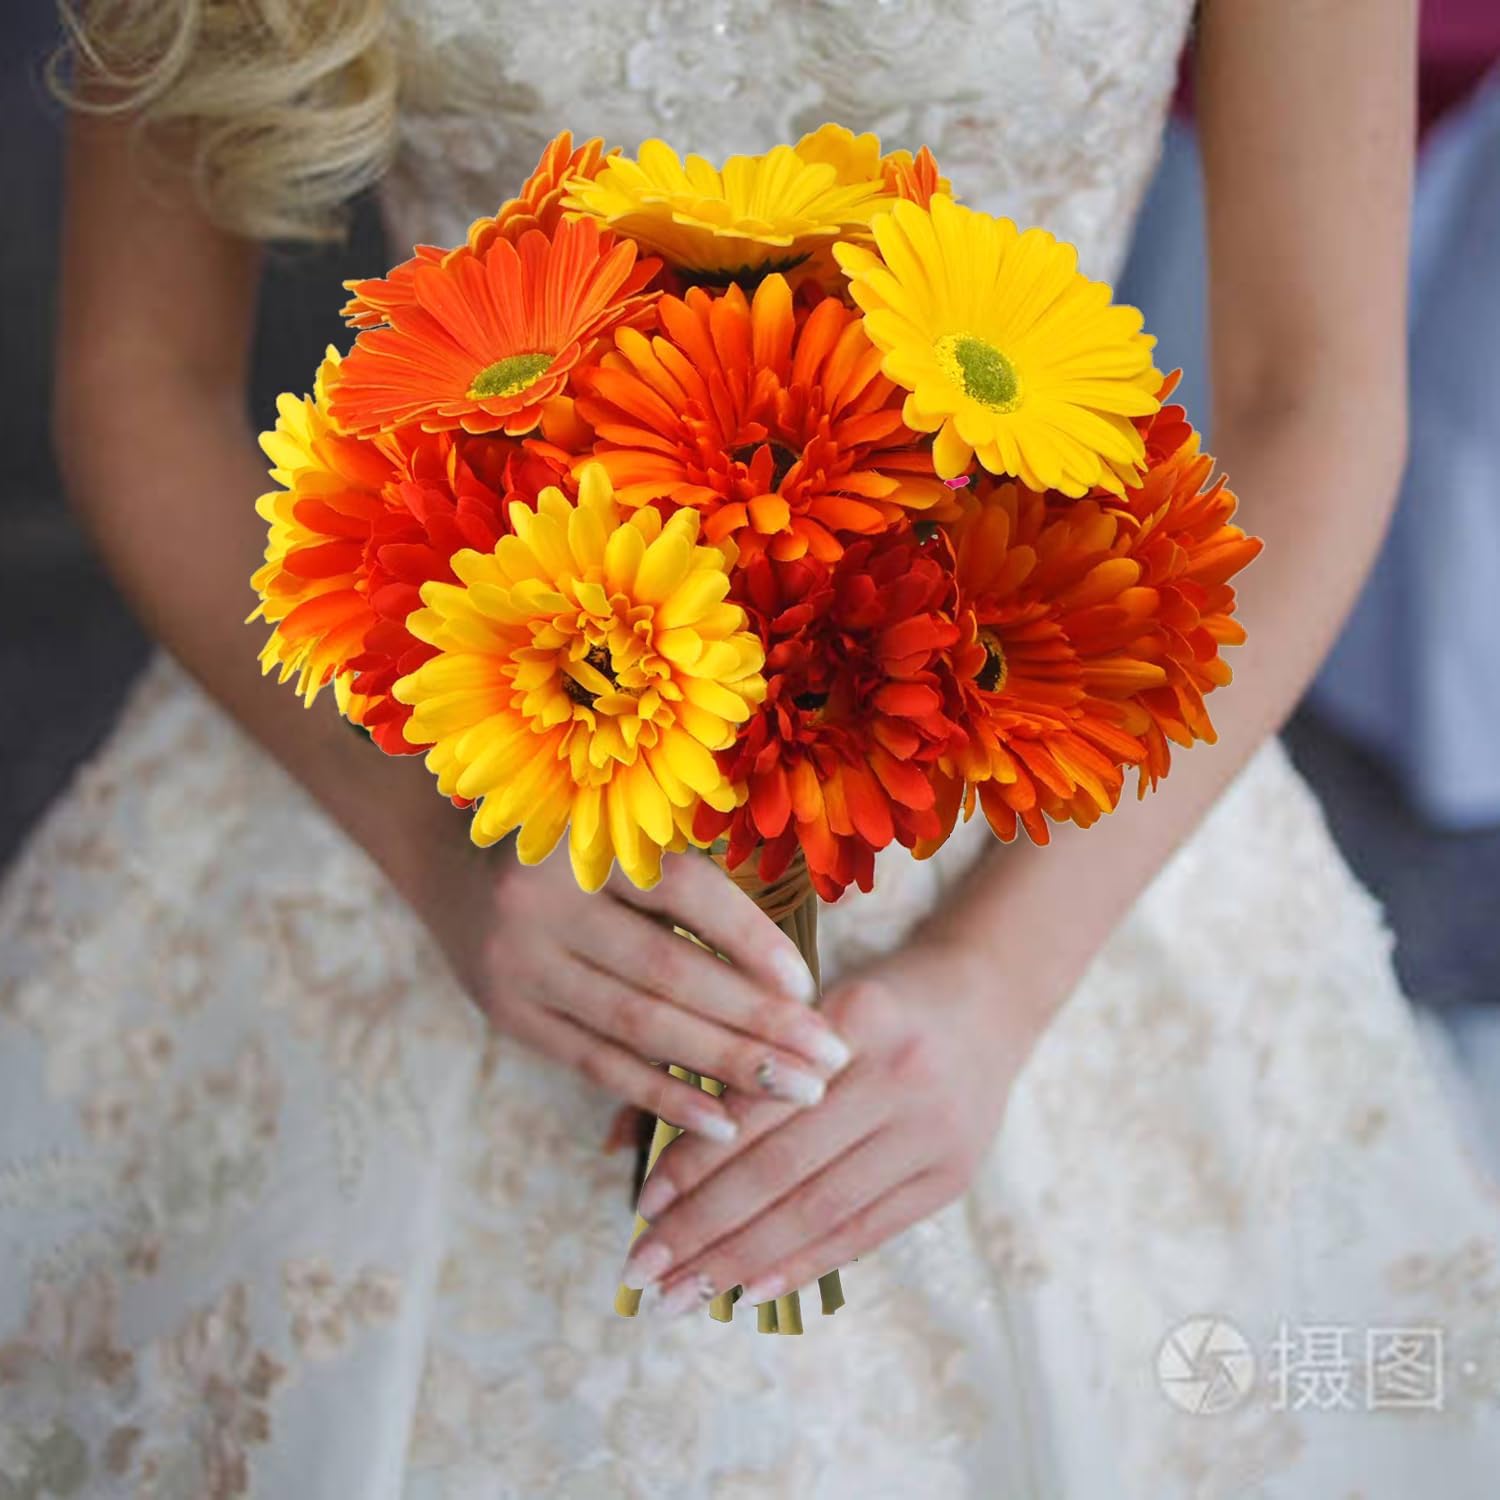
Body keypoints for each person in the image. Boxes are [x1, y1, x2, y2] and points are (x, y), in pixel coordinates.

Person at [3, 1, 1497, 1495]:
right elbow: (144, 378)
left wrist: (1000, 979)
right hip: (449, 760)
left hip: (1036, 752)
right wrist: (430, 847)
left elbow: (1319, 397)